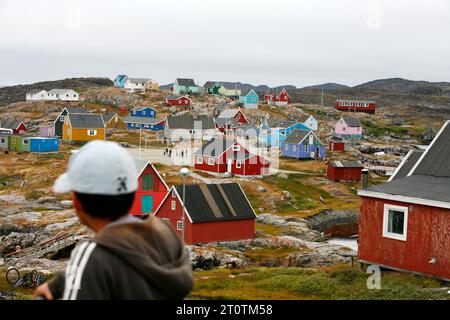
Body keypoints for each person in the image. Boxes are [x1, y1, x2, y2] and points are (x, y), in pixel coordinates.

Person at [34, 141, 193, 300]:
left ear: (77, 202)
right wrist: (57, 285)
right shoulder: (165, 234)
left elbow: (93, 266)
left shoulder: (93, 256)